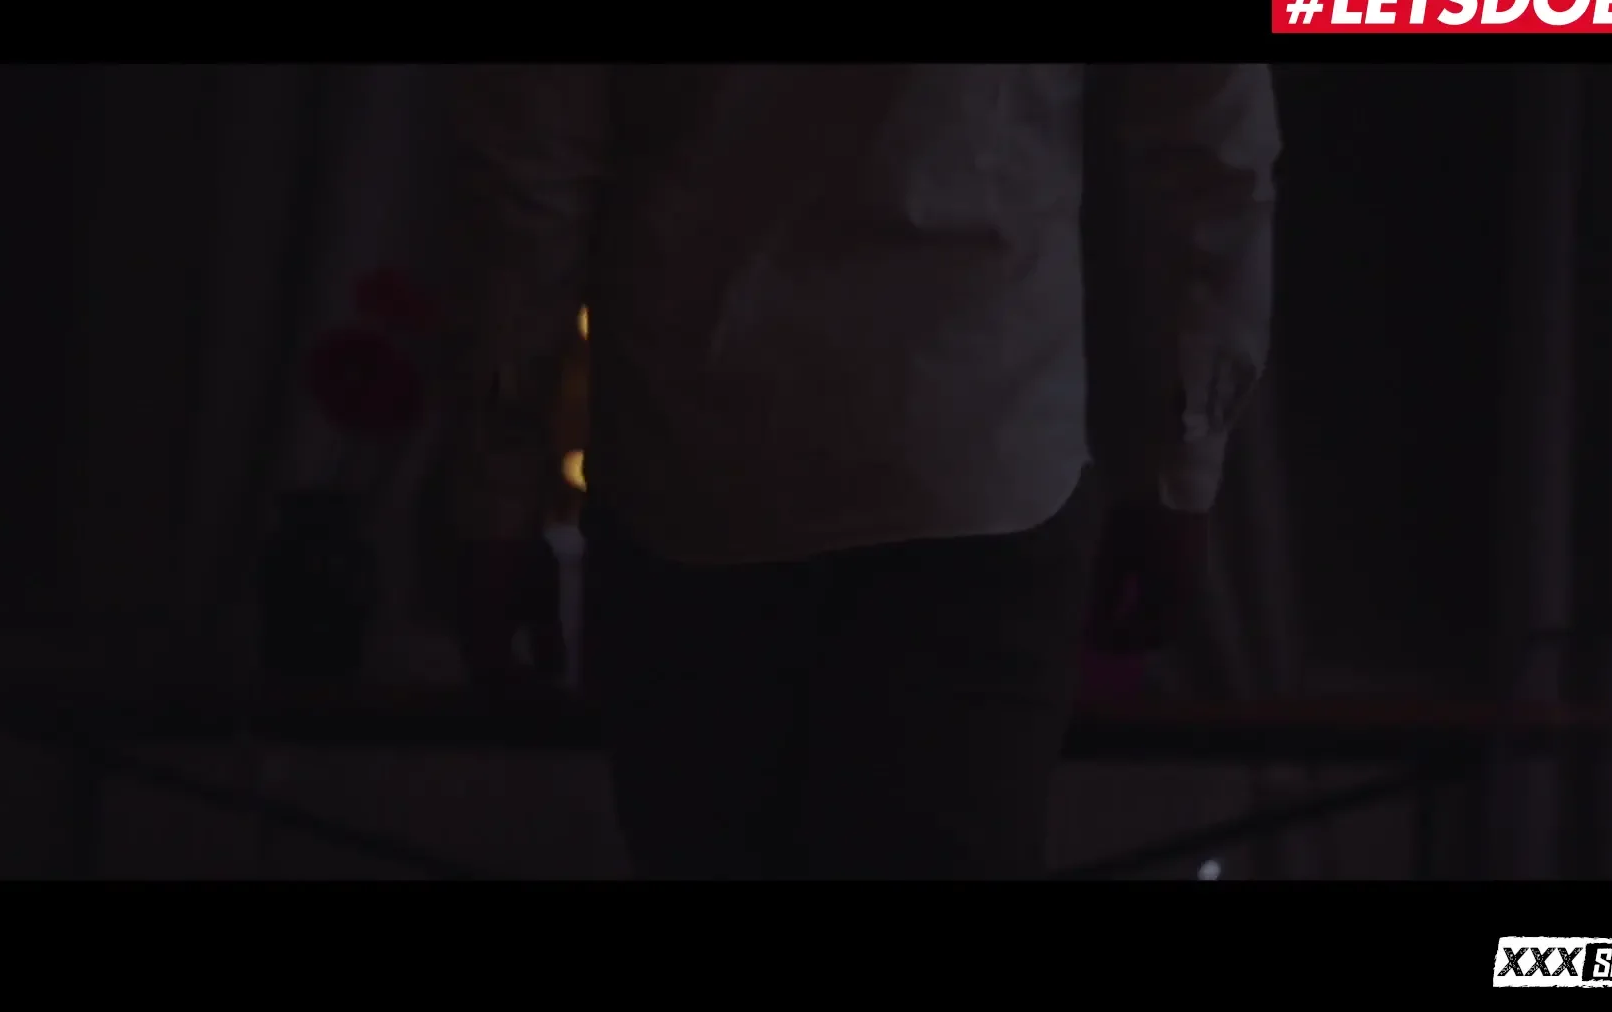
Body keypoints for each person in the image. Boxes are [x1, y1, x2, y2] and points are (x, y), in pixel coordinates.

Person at [421, 64, 1279, 880]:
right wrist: (1183, 465)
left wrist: (498, 493)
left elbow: (529, 174)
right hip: (972, 461)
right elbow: (1213, 142)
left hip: (702, 475)